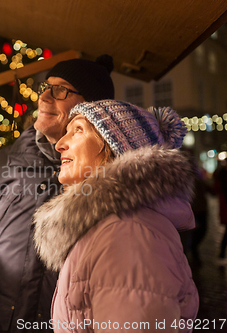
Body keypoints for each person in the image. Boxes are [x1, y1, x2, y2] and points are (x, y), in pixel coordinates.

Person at [0, 55, 115, 332]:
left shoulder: (107, 175)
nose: (44, 97)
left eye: (61, 90)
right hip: (0, 324)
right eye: (46, 87)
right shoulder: (2, 161)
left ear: (90, 109)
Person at [34, 100, 199, 333]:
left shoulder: (127, 234)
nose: (60, 144)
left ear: (114, 147)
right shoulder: (109, 227)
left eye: (78, 130)